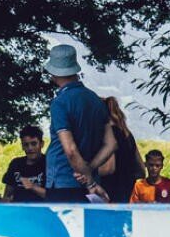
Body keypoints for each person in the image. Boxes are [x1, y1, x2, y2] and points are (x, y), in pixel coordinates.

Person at [42, 43, 115, 204]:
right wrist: (89, 171)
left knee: (60, 229)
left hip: (62, 182)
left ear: (54, 73)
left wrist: (89, 181)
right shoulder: (96, 100)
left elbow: (70, 150)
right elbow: (111, 144)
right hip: (89, 182)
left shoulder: (60, 103)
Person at [97, 96, 145, 205]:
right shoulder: (127, 134)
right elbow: (141, 169)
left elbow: (108, 168)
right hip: (127, 194)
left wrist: (86, 173)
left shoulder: (107, 135)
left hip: (109, 194)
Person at [0, 125, 47, 202]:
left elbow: (55, 196)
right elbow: (7, 194)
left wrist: (32, 187)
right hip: (18, 210)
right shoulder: (15, 164)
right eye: (26, 144)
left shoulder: (49, 164)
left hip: (41, 210)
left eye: (34, 144)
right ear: (22, 146)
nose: (30, 148)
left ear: (42, 144)